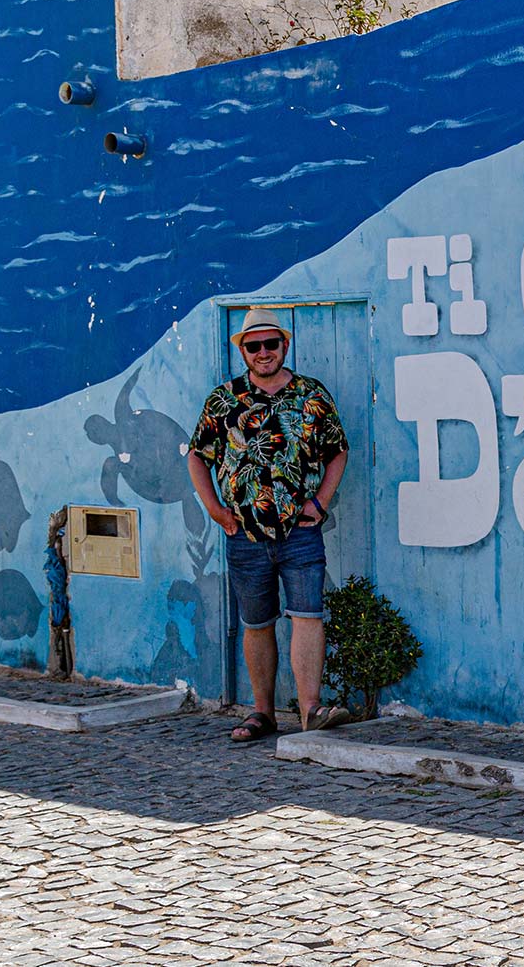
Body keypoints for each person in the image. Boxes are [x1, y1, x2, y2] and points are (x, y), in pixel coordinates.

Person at [187, 308, 353, 742]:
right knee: (257, 622)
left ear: (285, 346)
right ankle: (262, 713)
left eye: (270, 344)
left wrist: (321, 501)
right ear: (243, 351)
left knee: (307, 614)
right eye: (253, 346)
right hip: (244, 534)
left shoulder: (311, 395)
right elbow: (197, 455)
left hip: (300, 531)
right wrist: (215, 510)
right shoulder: (223, 400)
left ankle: (310, 710)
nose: (263, 353)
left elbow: (338, 449)